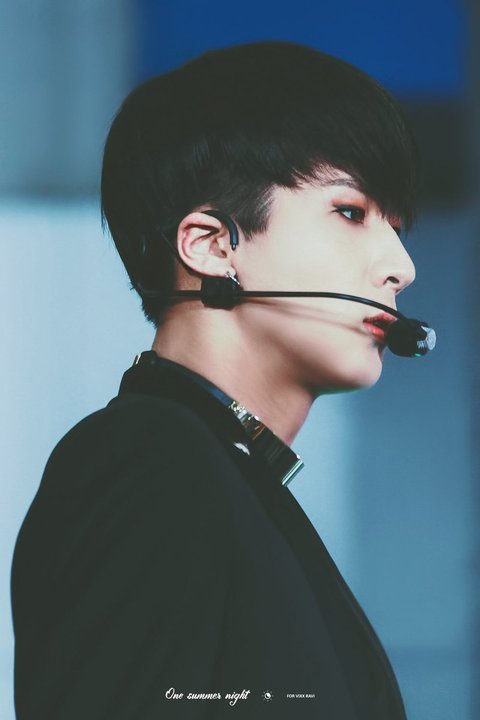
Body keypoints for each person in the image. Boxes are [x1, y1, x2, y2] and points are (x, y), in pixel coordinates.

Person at [12, 41, 420, 719]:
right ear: (210, 245)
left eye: (396, 226)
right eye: (350, 212)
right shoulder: (147, 461)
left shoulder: (227, 476)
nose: (401, 266)